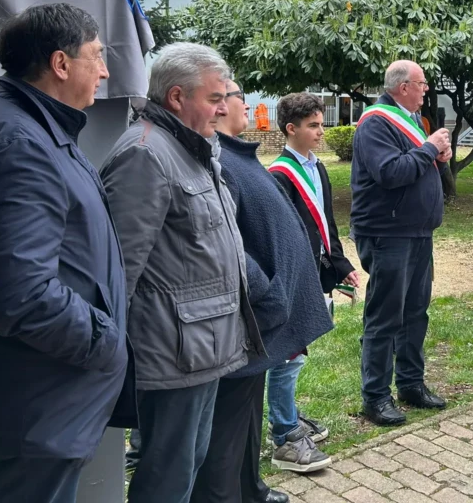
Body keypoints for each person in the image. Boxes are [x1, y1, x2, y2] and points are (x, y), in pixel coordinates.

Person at [0, 4, 130, 503]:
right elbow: (18, 295)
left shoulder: (29, 127)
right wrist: (106, 340)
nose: (105, 71)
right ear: (60, 64)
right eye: (97, 56)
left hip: (39, 397)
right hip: (35, 402)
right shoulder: (17, 142)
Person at [101, 43, 264, 503]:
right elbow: (118, 272)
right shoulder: (146, 154)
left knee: (187, 465)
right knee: (167, 477)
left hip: (201, 347)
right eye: (215, 98)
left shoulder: (190, 146)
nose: (223, 108)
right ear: (176, 97)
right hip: (173, 353)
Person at [192, 84, 329, 501]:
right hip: (245, 320)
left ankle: (250, 488)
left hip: (259, 320)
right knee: (226, 431)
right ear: (216, 106)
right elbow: (223, 243)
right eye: (236, 94)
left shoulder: (232, 154)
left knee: (246, 419)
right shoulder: (216, 159)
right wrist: (268, 294)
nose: (246, 102)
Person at [350, 60, 450, 425]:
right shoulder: (376, 122)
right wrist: (428, 149)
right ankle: (376, 396)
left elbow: (416, 167)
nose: (426, 89)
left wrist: (438, 157)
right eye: (422, 83)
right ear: (403, 86)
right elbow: (390, 173)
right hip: (388, 232)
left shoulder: (411, 120)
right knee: (385, 317)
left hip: (417, 231)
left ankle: (410, 383)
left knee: (415, 313)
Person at [266, 92, 361, 471]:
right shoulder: (279, 175)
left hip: (314, 273)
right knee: (288, 353)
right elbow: (282, 237)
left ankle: (287, 414)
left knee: (298, 352)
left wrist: (340, 264)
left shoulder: (317, 168)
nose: (321, 131)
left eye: (322, 124)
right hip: (294, 277)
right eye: (313, 126)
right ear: (291, 129)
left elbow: (326, 223)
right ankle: (284, 430)